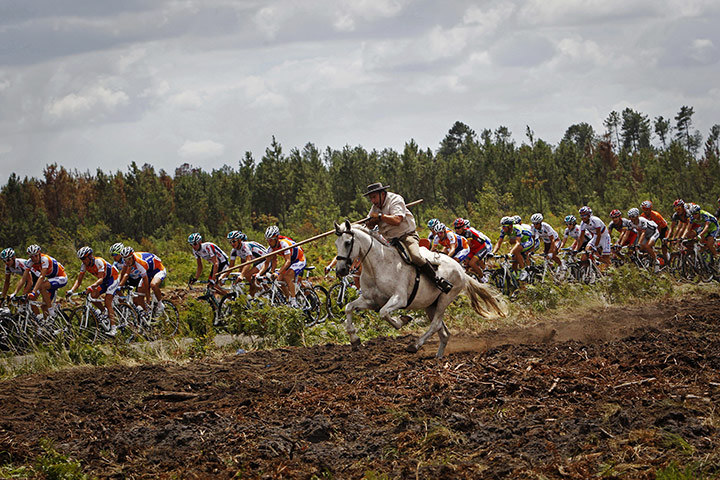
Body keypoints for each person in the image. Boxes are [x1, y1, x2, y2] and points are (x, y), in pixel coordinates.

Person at [364, 182, 452, 293]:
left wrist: (381, 217)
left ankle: (437, 280)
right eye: (371, 198)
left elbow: (397, 220)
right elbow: (368, 224)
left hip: (406, 236)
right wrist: (371, 222)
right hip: (389, 241)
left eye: (374, 197)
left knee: (415, 256)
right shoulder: (374, 208)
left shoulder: (395, 199)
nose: (373, 201)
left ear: (382, 194)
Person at [66, 246, 119, 336]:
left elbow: (100, 279)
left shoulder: (98, 262)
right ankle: (104, 312)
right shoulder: (84, 265)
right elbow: (79, 280)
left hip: (112, 278)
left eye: (83, 258)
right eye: (81, 259)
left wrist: (92, 286)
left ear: (90, 256)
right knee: (93, 295)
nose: (83, 261)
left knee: (107, 301)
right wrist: (71, 290)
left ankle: (114, 329)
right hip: (103, 281)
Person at [258, 226, 306, 307]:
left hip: (299, 259)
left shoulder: (284, 244)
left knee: (287, 277)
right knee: (280, 280)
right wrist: (259, 274)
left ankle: (294, 301)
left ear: (276, 238)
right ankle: (289, 300)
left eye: (270, 240)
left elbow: (288, 261)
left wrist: (278, 272)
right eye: (267, 240)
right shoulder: (270, 248)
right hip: (291, 261)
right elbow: (266, 263)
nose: (269, 242)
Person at [117, 246, 167, 312]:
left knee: (153, 284)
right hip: (148, 271)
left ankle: (160, 304)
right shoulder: (128, 260)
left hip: (158, 270)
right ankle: (147, 315)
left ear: (132, 256)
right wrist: (118, 285)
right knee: (139, 295)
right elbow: (124, 273)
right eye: (125, 259)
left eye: (129, 259)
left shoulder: (139, 263)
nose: (127, 261)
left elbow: (146, 284)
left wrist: (148, 298)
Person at [24, 245, 68, 318]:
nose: (34, 258)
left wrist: (33, 291)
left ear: (39, 254)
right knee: (44, 306)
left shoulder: (45, 259)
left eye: (35, 256)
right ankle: (48, 326)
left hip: (61, 278)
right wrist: (16, 293)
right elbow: (23, 278)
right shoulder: (30, 262)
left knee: (42, 286)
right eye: (31, 257)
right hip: (51, 280)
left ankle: (51, 312)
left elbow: (42, 277)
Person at [223, 230, 268, 298]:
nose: (232, 243)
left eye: (234, 241)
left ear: (239, 240)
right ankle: (255, 303)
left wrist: (241, 275)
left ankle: (263, 291)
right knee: (251, 289)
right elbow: (231, 266)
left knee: (248, 275)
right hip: (257, 262)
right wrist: (222, 276)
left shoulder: (245, 247)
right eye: (230, 242)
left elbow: (248, 262)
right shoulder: (234, 251)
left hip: (265, 260)